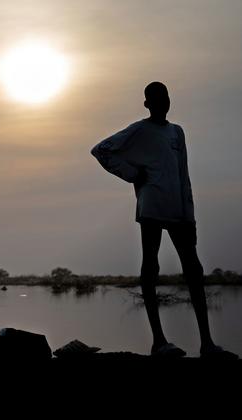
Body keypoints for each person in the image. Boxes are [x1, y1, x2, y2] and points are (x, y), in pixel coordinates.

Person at [91, 82, 237, 359]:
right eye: (156, 99)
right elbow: (101, 150)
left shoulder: (176, 132)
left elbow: (184, 175)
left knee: (193, 270)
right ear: (147, 104)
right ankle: (159, 341)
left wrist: (190, 215)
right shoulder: (139, 130)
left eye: (165, 97)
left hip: (179, 210)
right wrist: (133, 174)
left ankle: (207, 343)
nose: (162, 102)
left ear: (169, 100)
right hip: (152, 206)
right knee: (151, 266)